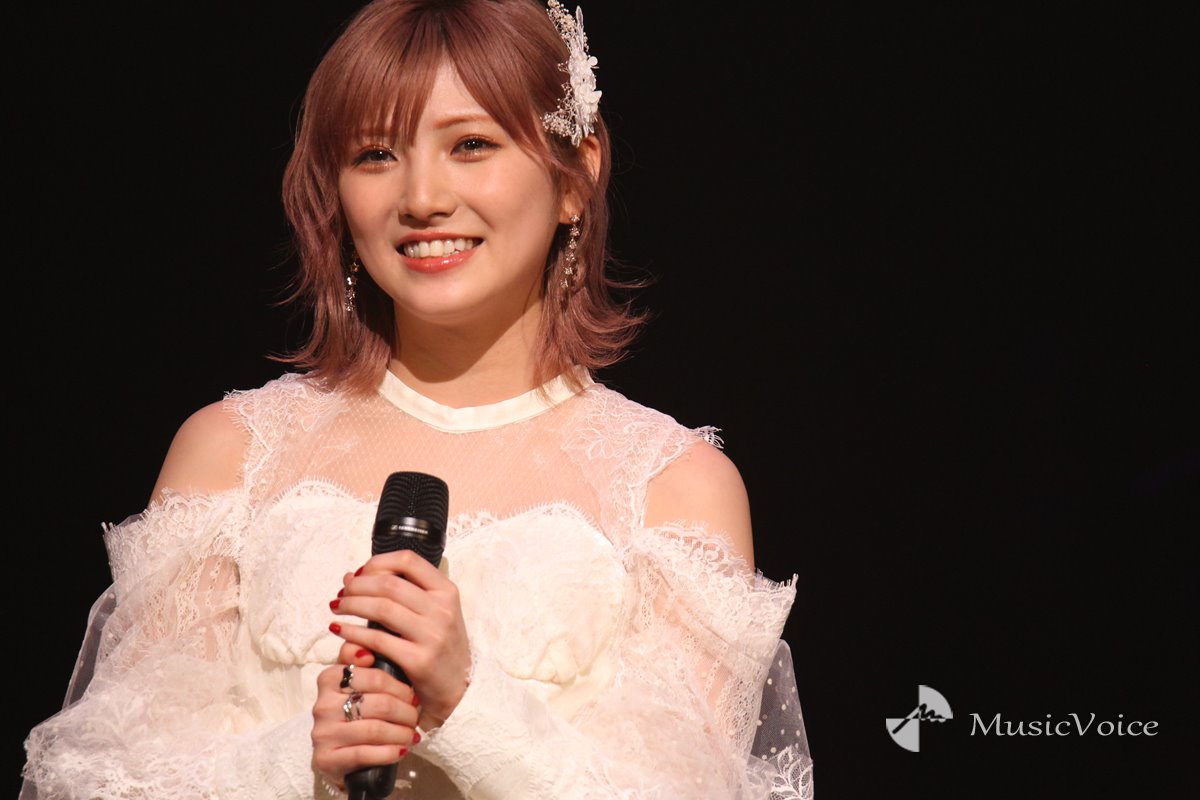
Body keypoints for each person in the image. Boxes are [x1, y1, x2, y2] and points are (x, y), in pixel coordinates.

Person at [21, 0, 813, 797]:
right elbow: (105, 779)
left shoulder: (672, 488)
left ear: (576, 173)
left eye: (471, 145)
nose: (423, 197)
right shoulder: (233, 454)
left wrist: (470, 703)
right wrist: (297, 759)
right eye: (375, 154)